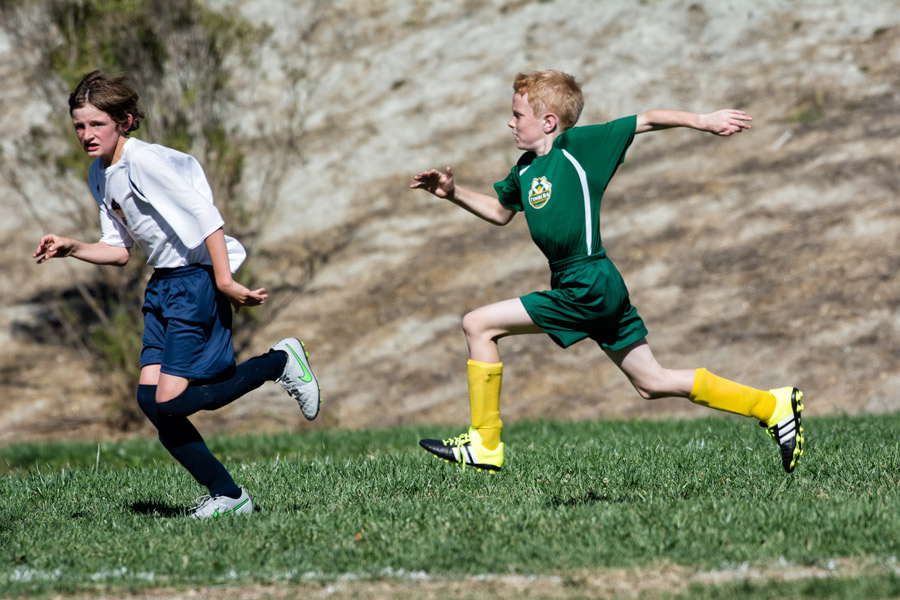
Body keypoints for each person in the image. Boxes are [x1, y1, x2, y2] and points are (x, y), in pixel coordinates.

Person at [410, 70, 804, 474]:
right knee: (652, 382)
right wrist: (452, 193)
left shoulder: (580, 147)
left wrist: (704, 120)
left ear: (548, 122)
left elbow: (647, 118)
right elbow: (499, 212)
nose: (510, 122)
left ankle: (485, 443)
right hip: (588, 283)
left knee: (478, 325)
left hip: (588, 282)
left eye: (517, 114)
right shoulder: (525, 169)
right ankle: (771, 406)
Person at [33, 70, 322, 518]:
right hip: (163, 284)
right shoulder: (100, 173)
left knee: (170, 399)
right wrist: (71, 247)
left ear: (124, 121)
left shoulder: (143, 161)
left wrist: (224, 280)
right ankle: (228, 495)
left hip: (195, 280)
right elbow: (118, 250)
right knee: (152, 401)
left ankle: (279, 363)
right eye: (79, 126)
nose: (86, 135)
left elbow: (205, 215)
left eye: (96, 124)